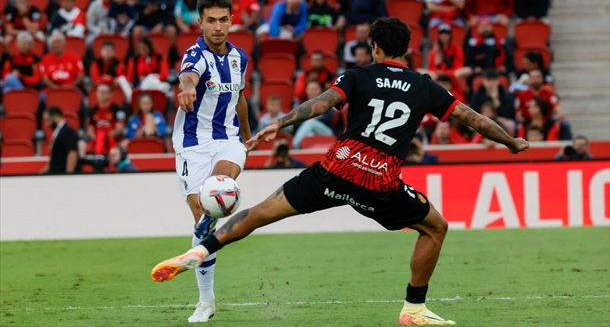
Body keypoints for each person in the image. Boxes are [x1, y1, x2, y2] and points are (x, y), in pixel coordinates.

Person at [151, 17, 529, 326]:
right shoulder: (424, 86)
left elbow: (320, 103)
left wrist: (279, 124)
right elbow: (471, 118)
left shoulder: (358, 76)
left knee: (261, 212)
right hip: (378, 184)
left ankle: (200, 250)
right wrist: (511, 141)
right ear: (407, 50)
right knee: (435, 227)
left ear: (375, 49)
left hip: (334, 170)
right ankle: (414, 309)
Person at [168, 0, 252, 323]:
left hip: (228, 140)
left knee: (218, 187)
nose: (218, 27)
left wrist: (246, 135)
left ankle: (203, 241)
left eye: (223, 19)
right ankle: (207, 300)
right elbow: (188, 76)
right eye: (211, 20)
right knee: (202, 217)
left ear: (232, 20)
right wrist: (187, 88)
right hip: (191, 144)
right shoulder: (195, 55)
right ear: (200, 22)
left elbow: (240, 96)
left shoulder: (239, 58)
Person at [88, 84, 126, 155]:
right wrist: (95, 138)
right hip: (97, 138)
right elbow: (90, 128)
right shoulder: (93, 110)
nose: (101, 94)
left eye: (104, 92)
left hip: (113, 138)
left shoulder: (118, 110)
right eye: (99, 92)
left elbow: (120, 128)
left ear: (110, 94)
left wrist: (109, 135)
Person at [41, 106, 80, 174]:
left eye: (47, 119)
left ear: (55, 116)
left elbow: (72, 153)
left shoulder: (67, 131)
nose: (47, 124)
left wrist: (68, 175)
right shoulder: (59, 132)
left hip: (62, 176)